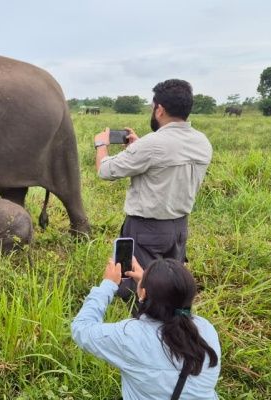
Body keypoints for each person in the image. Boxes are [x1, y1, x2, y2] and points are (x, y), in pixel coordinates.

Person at [94, 79, 212, 298]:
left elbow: (105, 170)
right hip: (179, 227)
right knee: (169, 285)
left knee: (139, 287)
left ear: (159, 109)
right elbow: (167, 157)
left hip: (146, 228)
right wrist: (138, 147)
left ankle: (142, 317)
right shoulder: (201, 141)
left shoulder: (152, 144)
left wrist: (101, 145)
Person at [71, 257, 221, 399]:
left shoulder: (130, 336)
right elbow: (172, 303)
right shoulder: (206, 330)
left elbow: (81, 328)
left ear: (143, 293)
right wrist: (153, 286)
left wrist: (108, 284)